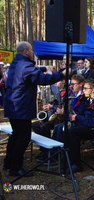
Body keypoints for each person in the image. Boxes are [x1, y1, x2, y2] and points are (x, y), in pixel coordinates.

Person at [3, 41, 65, 177]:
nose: (32, 52)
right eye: (31, 50)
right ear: (26, 51)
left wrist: (44, 67)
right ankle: (15, 168)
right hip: (20, 108)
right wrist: (61, 74)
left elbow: (32, 70)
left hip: (13, 106)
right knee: (23, 137)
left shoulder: (16, 62)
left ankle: (8, 163)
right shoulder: (26, 66)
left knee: (15, 135)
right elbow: (42, 79)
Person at [66, 78, 94, 173]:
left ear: (93, 90)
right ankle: (65, 159)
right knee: (62, 128)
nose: (83, 90)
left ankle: (77, 164)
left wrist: (77, 118)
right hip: (86, 125)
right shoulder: (86, 99)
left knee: (73, 132)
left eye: (86, 88)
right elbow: (79, 112)